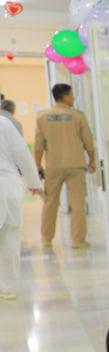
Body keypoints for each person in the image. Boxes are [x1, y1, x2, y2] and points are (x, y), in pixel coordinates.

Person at [33, 83, 96, 248]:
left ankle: (46, 238)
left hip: (53, 166)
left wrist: (38, 165)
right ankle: (78, 239)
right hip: (76, 165)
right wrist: (92, 160)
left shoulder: (42, 117)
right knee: (78, 203)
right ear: (65, 97)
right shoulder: (78, 116)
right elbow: (88, 141)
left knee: (50, 202)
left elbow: (38, 144)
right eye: (72, 95)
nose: (73, 98)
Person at [0, 115, 40, 301]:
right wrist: (33, 182)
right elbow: (21, 153)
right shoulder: (4, 123)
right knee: (9, 237)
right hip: (9, 187)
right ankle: (8, 288)